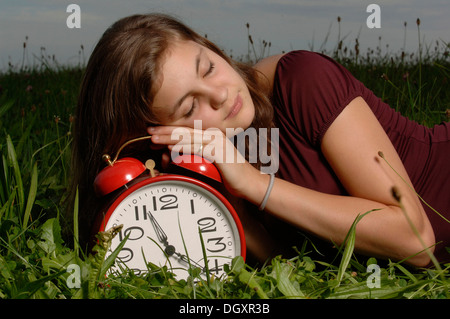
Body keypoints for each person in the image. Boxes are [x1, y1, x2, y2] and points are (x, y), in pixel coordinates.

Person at [69, 13, 450, 268]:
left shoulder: (303, 79)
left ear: (212, 47)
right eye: (189, 109)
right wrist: (223, 198)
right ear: (159, 137)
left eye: (209, 67)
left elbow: (414, 242)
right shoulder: (200, 164)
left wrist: (253, 182)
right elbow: (290, 265)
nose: (220, 95)